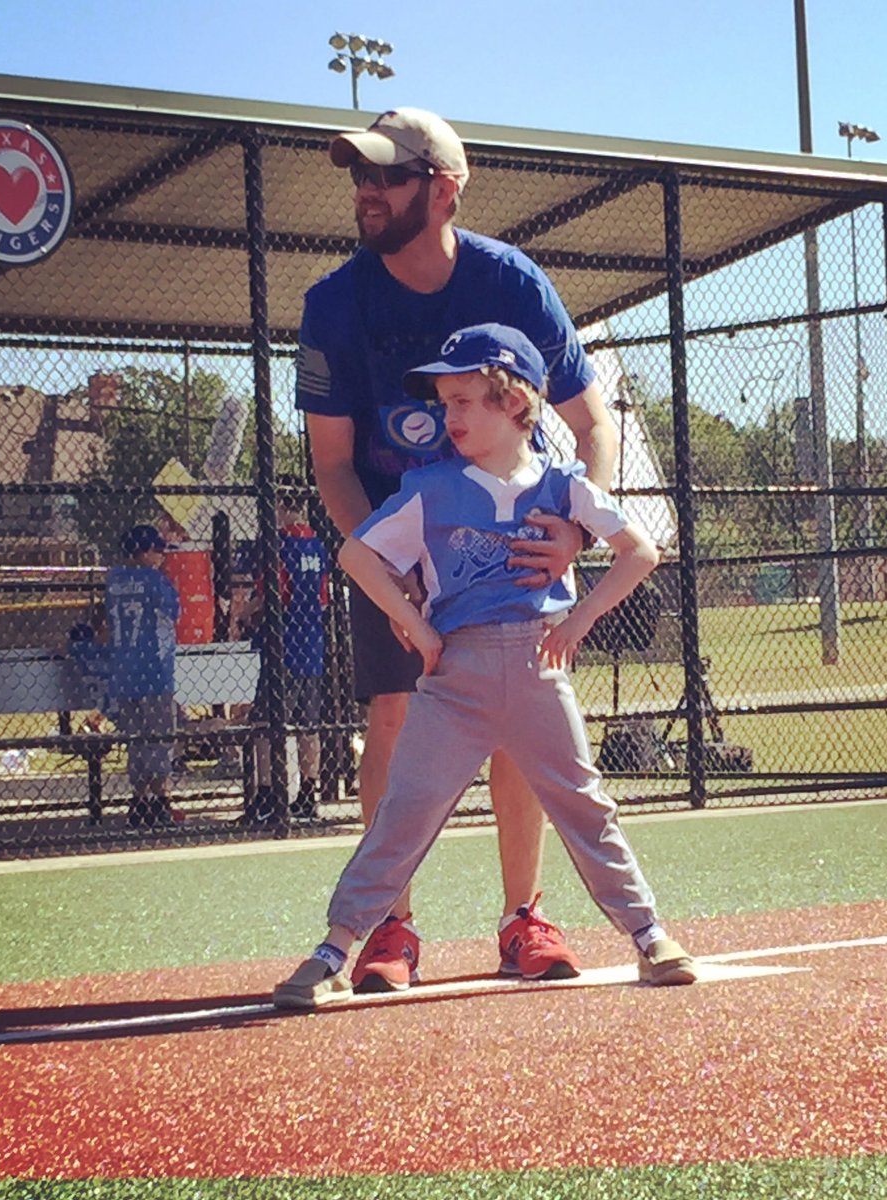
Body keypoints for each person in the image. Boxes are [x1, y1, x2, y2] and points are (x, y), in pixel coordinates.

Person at [274, 324, 696, 1009]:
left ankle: (650, 935)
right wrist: (413, 625)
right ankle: (334, 949)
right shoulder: (430, 486)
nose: (451, 417)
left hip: (537, 668)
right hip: (456, 678)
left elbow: (639, 552)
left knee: (585, 806)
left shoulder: (562, 486)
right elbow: (358, 555)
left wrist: (581, 619)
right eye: (446, 402)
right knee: (405, 813)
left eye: (467, 400)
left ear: (516, 404)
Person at [296, 106, 619, 991]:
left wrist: (575, 531)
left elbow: (594, 424)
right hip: (397, 540)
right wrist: (393, 568)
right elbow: (332, 462)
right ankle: (389, 928)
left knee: (514, 725)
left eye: (385, 176)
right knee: (394, 720)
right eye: (359, 177)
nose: (366, 191)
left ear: (441, 190)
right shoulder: (333, 304)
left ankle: (524, 919)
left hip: (511, 544)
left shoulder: (512, 283)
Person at [246, 479, 332, 823]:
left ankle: (267, 793)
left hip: (283, 645)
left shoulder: (279, 546)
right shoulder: (318, 546)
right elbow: (323, 598)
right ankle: (308, 793)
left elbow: (273, 595)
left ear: (281, 504)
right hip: (312, 642)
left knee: (268, 724)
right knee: (308, 725)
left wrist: (244, 612)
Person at [106, 523, 181, 829]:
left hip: (124, 671)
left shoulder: (113, 579)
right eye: (158, 551)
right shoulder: (155, 580)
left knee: (137, 742)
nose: (162, 557)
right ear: (146, 552)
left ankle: (138, 800)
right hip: (154, 670)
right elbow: (174, 613)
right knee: (160, 739)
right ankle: (161, 800)